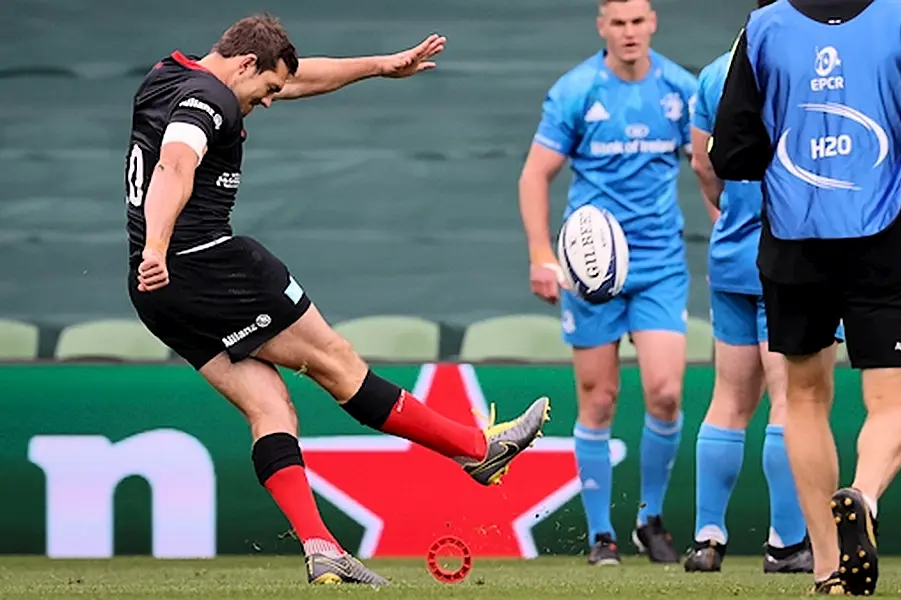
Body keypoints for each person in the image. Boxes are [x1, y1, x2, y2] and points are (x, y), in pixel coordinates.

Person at [125, 13, 550, 587]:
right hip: (211, 265)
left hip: (156, 292)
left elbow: (297, 80)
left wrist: (379, 65)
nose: (273, 102)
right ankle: (476, 449)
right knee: (339, 363)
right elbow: (177, 162)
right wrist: (159, 242)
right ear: (246, 65)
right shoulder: (209, 100)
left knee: (270, 409)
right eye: (268, 90)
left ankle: (321, 547)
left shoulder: (171, 76)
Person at [709, 0, 901, 594]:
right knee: (892, 401)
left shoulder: (764, 27)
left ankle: (826, 568)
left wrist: (799, 150)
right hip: (891, 243)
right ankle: (863, 496)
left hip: (795, 245)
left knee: (804, 400)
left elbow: (730, 153)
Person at [517, 0, 698, 566]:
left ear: (652, 23)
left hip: (660, 262)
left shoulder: (681, 88)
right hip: (589, 269)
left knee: (666, 393)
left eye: (637, 21)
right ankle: (602, 536)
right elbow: (534, 174)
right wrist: (542, 255)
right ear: (602, 27)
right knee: (599, 398)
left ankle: (650, 518)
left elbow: (709, 168)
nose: (628, 33)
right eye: (617, 23)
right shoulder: (576, 90)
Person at [683, 0, 847, 576]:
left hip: (732, 253)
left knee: (727, 400)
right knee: (791, 400)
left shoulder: (714, 71)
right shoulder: (820, 68)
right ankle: (785, 543)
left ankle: (707, 537)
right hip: (797, 256)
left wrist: (726, 214)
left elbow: (703, 162)